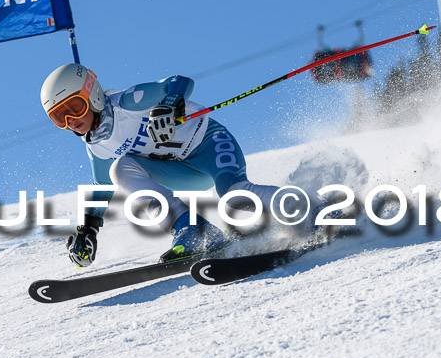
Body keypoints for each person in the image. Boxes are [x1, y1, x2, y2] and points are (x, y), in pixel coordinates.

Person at [40, 63, 283, 267]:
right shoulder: (97, 145)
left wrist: (168, 103)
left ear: (91, 95)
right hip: (183, 172)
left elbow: (179, 81)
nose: (71, 121)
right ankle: (193, 229)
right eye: (60, 117)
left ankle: (307, 210)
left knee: (234, 195)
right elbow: (102, 186)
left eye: (75, 108)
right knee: (119, 169)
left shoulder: (126, 103)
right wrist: (88, 230)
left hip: (209, 144)